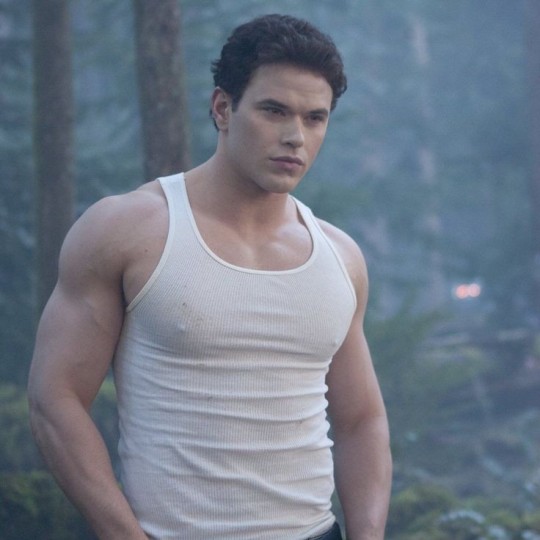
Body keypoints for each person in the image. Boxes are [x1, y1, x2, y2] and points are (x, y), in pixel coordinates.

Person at [28, 13, 392, 540]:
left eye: (315, 118)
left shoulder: (340, 256)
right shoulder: (128, 229)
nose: (295, 136)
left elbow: (361, 420)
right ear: (223, 108)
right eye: (274, 110)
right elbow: (54, 398)